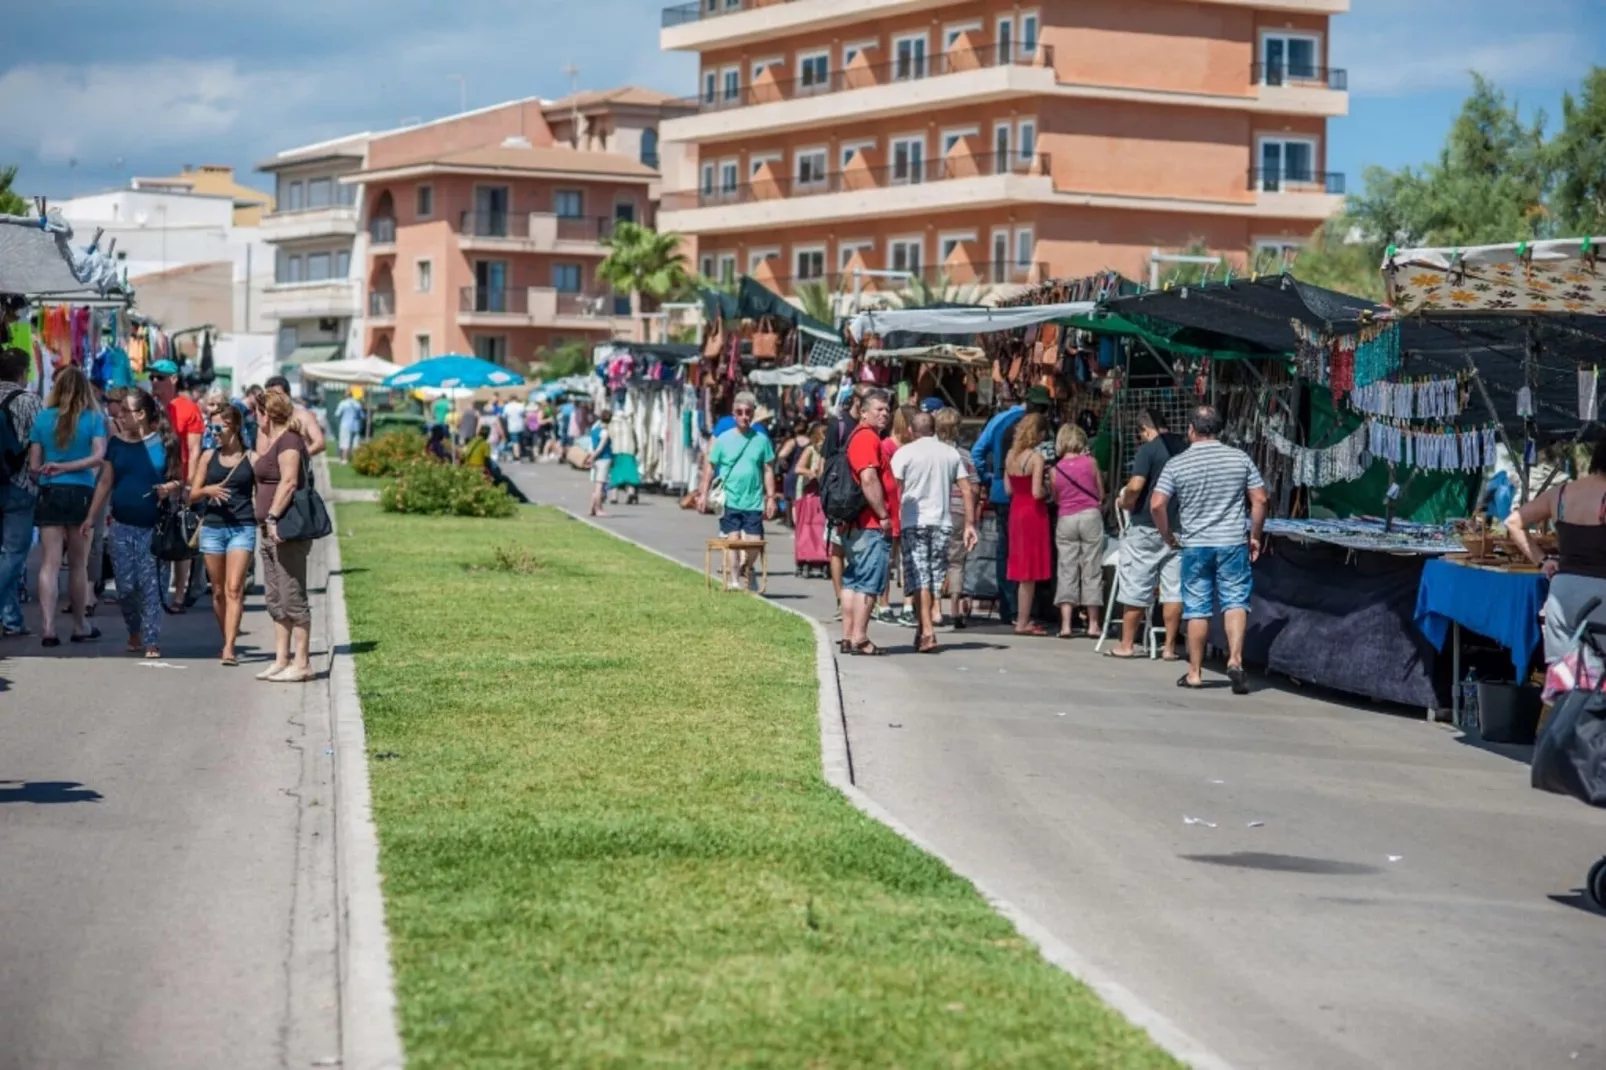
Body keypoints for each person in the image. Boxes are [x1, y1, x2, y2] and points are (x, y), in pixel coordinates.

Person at [1150, 405, 1267, 694]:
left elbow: (1156, 503)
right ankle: (1236, 660)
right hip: (1231, 542)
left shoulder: (1177, 464)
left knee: (1197, 607)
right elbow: (1260, 499)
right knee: (1235, 601)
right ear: (1219, 430)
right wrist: (1255, 534)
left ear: (1191, 429)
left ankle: (1194, 672)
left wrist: (1167, 534)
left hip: (1196, 544)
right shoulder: (1239, 459)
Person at [87, 388, 180, 658]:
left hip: (155, 527)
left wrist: (169, 487)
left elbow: (180, 480)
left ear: (140, 414)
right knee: (126, 588)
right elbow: (105, 481)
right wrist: (90, 517)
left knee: (151, 586)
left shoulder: (164, 442)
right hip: (121, 526)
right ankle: (134, 630)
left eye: (125, 410)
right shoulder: (115, 444)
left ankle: (151, 640)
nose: (119, 413)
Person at [28, 366, 107, 647]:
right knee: (77, 564)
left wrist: (55, 467)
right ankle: (79, 625)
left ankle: (48, 629)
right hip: (82, 492)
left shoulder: (43, 419)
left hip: (50, 492)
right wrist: (70, 466)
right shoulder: (94, 418)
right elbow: (99, 457)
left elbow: (34, 467)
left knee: (49, 563)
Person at [1509, 442, 1606, 667]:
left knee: (1565, 677)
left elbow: (1514, 522)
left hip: (1562, 594)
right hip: (1600, 596)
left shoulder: (1561, 492)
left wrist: (1542, 560)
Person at [891, 410, 978, 652]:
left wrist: (889, 518)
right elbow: (967, 488)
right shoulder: (949, 453)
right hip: (942, 522)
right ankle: (923, 628)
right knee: (934, 575)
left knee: (919, 576)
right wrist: (970, 524)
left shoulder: (903, 453)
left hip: (913, 521)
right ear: (934, 429)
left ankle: (928, 631)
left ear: (911, 431)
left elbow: (894, 489)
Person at [1110, 409, 1187, 660]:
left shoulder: (1149, 449)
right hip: (1178, 525)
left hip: (1147, 524)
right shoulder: (1185, 447)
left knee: (1136, 583)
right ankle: (1169, 647)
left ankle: (1127, 644)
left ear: (1145, 429)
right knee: (1173, 589)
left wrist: (1125, 502)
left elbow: (1135, 486)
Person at [971, 385, 1052, 623]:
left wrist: (992, 479)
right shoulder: (1030, 432)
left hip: (1004, 495)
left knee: (1007, 553)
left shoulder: (1001, 420)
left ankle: (1010, 609)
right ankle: (1027, 611)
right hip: (1022, 499)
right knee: (1027, 554)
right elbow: (976, 454)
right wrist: (990, 479)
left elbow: (977, 453)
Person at [253, 391, 314, 682]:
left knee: (292, 596)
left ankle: (302, 664)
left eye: (257, 413)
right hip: (268, 530)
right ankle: (281, 659)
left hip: (285, 530)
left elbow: (289, 482)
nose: (255, 419)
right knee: (275, 598)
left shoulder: (289, 440)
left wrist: (273, 516)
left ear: (266, 414)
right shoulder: (273, 441)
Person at [192, 404, 257, 665]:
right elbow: (192, 494)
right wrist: (209, 490)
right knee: (218, 591)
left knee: (234, 588)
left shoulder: (251, 458)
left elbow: (263, 489)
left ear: (235, 427)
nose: (215, 432)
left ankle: (230, 647)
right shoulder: (208, 457)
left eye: (220, 427)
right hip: (213, 528)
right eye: (212, 427)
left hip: (243, 527)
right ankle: (226, 637)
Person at [698, 391, 778, 590]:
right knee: (733, 540)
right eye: (740, 412)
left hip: (753, 499)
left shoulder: (761, 440)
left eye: (747, 412)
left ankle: (745, 567)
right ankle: (734, 581)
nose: (744, 416)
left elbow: (768, 469)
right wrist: (703, 493)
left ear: (753, 414)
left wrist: (771, 497)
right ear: (734, 414)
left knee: (755, 542)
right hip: (729, 497)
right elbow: (710, 466)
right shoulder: (723, 439)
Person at [839, 389, 893, 654]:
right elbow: (869, 478)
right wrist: (883, 515)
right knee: (869, 583)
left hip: (855, 524)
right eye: (878, 409)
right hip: (869, 524)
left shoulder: (859, 437)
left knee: (853, 580)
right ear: (863, 412)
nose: (884, 414)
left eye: (887, 409)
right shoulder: (866, 439)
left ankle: (849, 636)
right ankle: (860, 638)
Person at [151, 359, 204, 612]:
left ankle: (179, 593)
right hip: (151, 480)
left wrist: (189, 484)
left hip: (178, 481)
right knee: (153, 535)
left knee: (178, 536)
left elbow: (194, 450)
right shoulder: (147, 408)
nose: (154, 382)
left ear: (173, 379)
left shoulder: (188, 408)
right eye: (152, 377)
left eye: (159, 377)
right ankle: (154, 589)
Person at [0, 346, 42, 638]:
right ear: (22, 372)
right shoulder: (29, 402)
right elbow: (42, 442)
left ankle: (12, 618)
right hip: (20, 484)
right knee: (14, 555)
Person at [1050, 425, 1105, 639]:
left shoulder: (1055, 470)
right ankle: (1093, 624)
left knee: (1066, 569)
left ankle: (1065, 625)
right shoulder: (1091, 463)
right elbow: (1100, 492)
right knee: (1092, 569)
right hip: (1090, 515)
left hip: (1066, 518)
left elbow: (1056, 498)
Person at [935, 407, 980, 630]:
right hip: (960, 511)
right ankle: (954, 609)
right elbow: (973, 486)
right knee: (956, 562)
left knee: (935, 561)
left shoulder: (932, 453)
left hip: (936, 511)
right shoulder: (964, 455)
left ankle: (934, 609)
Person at [823, 388, 866, 618]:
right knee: (838, 549)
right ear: (858, 401)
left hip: (862, 498)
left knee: (861, 551)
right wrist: (827, 498)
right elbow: (825, 463)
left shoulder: (872, 428)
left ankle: (858, 598)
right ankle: (841, 598)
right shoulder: (838, 425)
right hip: (840, 498)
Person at [877, 405, 916, 625]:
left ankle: (908, 604)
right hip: (892, 506)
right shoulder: (886, 446)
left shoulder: (911, 448)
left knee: (906, 559)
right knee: (888, 558)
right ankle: (883, 604)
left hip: (908, 506)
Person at [791, 424, 829, 578]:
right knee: (807, 526)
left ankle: (822, 556)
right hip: (808, 491)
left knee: (821, 527)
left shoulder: (829, 453)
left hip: (822, 493)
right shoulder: (810, 450)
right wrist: (811, 473)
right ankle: (805, 556)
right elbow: (798, 468)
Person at [263, 374, 327, 457]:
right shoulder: (266, 418)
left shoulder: (304, 416)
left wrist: (298, 458)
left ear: (288, 394)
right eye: (271, 396)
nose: (275, 399)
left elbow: (320, 443)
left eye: (278, 395)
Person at [607, 407, 640, 506]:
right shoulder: (629, 425)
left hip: (616, 451)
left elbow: (608, 439)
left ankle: (614, 497)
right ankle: (631, 492)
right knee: (630, 474)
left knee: (615, 475)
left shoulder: (611, 425)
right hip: (629, 451)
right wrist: (636, 449)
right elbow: (635, 438)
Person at [584, 408, 614, 517]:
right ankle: (598, 508)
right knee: (600, 486)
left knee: (597, 485)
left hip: (597, 460)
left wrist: (591, 457)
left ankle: (592, 508)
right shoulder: (604, 432)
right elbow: (600, 448)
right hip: (603, 459)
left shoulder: (595, 429)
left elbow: (593, 446)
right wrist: (592, 457)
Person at [335, 391, 364, 464]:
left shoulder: (343, 403)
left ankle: (344, 459)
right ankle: (356, 460)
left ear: (345, 395)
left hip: (345, 425)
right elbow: (362, 416)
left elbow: (337, 414)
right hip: (356, 425)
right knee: (355, 443)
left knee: (345, 442)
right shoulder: (357, 404)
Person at [503, 395, 527, 462]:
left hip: (512, 426)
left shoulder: (507, 406)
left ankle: (517, 457)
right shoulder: (521, 405)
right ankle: (520, 454)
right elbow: (524, 415)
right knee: (520, 441)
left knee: (515, 442)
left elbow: (504, 416)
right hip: (520, 426)